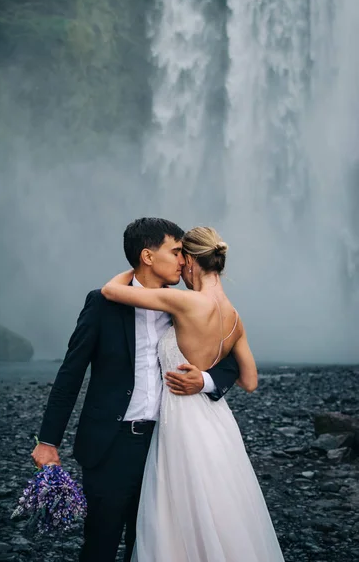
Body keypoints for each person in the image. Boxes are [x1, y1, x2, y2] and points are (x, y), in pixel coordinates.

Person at [31, 218, 241, 562]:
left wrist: (204, 381)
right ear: (147, 255)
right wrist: (48, 441)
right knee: (100, 543)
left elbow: (230, 359)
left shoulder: (186, 307)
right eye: (176, 252)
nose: (184, 260)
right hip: (109, 445)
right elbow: (71, 373)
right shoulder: (102, 303)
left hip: (168, 442)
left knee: (153, 545)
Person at [101, 226, 285, 562]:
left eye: (179, 258)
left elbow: (111, 291)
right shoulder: (234, 317)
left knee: (177, 508)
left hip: (181, 422)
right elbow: (250, 380)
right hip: (217, 424)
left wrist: (139, 265)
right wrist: (206, 379)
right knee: (220, 505)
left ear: (190, 262)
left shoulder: (185, 302)